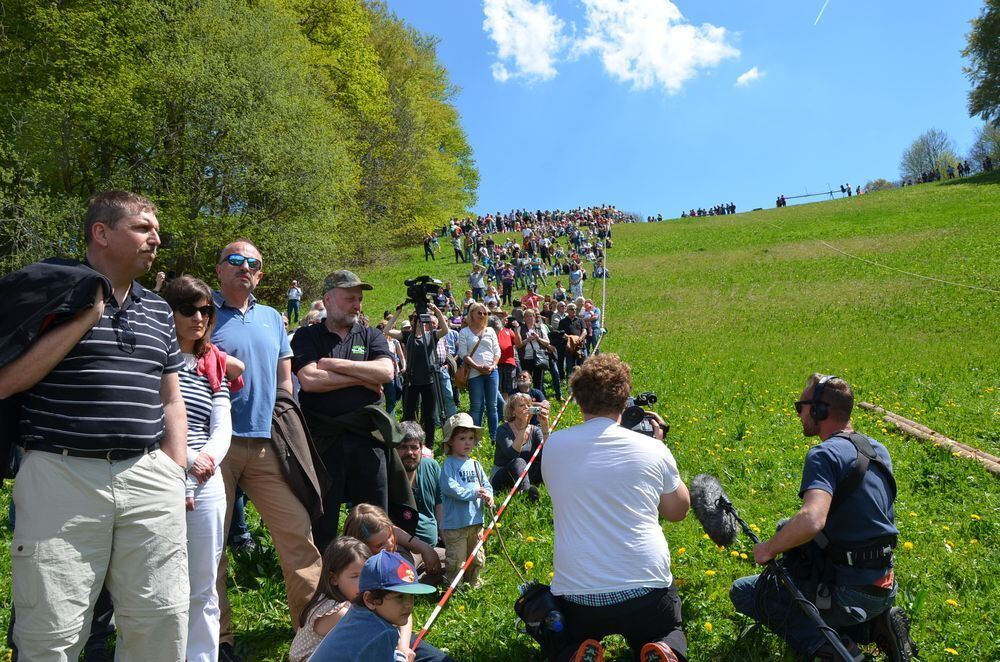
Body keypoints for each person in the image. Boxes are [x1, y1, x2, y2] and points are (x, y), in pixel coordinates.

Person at [1, 190, 190, 660]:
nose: (156, 239)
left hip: (148, 477)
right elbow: (7, 382)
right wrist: (85, 314)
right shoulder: (54, 293)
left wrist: (174, 470)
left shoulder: (159, 311)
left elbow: (171, 397)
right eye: (143, 228)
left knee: (162, 620)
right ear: (101, 233)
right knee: (51, 632)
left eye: (157, 230)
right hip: (61, 477)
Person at [729, 374, 917, 660]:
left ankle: (838, 649)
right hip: (884, 582)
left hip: (850, 591)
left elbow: (812, 520)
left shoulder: (824, 454)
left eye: (800, 406)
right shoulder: (878, 449)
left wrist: (767, 549)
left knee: (744, 591)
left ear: (819, 410)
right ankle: (875, 625)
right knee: (785, 531)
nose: (799, 414)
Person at [211, 239, 322, 660]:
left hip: (265, 444)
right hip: (213, 446)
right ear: (219, 269)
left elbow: (284, 383)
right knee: (210, 546)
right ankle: (218, 639)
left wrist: (282, 424)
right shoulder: (203, 312)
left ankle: (312, 630)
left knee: (297, 534)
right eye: (235, 260)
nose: (245, 267)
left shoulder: (273, 317)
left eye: (253, 263)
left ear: (260, 273)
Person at [541, 354, 689, 662]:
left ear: (578, 400)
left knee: (552, 621)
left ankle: (575, 651)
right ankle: (664, 646)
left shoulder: (553, 445)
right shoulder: (652, 448)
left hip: (578, 598)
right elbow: (678, 511)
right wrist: (661, 447)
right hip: (646, 594)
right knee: (669, 628)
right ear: (625, 401)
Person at [291, 270, 396, 550]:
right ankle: (328, 576)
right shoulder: (306, 336)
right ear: (328, 299)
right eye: (350, 298)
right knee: (324, 514)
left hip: (367, 437)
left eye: (359, 299)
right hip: (324, 438)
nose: (357, 304)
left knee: (374, 512)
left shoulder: (371, 335)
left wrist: (333, 365)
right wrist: (364, 377)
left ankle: (375, 570)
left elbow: (386, 371)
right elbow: (310, 380)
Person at [164, 276, 239, 662]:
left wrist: (202, 462)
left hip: (206, 478)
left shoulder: (212, 362)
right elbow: (151, 416)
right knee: (157, 580)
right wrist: (188, 459)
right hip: (161, 473)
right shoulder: (156, 357)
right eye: (188, 309)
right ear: (169, 311)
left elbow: (222, 423)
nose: (199, 317)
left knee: (204, 583)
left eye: (206, 310)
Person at [309, 551, 439, 662]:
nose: (408, 604)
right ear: (370, 599)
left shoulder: (356, 612)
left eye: (411, 596)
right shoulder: (383, 632)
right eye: (399, 597)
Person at [289, 536, 372, 662]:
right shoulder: (340, 613)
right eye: (355, 576)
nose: (363, 582)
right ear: (334, 579)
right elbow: (369, 640)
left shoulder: (330, 598)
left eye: (367, 574)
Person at [439, 413, 493, 587]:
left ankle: (474, 583)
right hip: (456, 524)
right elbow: (449, 487)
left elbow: (486, 484)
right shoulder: (449, 464)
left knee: (476, 555)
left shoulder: (475, 464)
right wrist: (472, 494)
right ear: (451, 442)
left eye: (471, 438)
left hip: (475, 521)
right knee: (456, 558)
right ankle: (454, 587)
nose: (468, 442)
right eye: (462, 438)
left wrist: (489, 496)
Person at [491, 393, 549, 500]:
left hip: (525, 473)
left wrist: (545, 427)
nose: (526, 408)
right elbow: (512, 454)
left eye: (528, 405)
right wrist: (523, 426)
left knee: (546, 461)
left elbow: (548, 451)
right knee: (519, 461)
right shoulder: (503, 429)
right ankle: (526, 494)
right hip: (504, 474)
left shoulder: (534, 429)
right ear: (513, 411)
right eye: (522, 405)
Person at [457, 303, 501, 441]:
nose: (483, 315)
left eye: (485, 313)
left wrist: (493, 365)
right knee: (476, 406)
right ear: (471, 314)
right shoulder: (464, 332)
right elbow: (463, 353)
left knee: (492, 405)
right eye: (479, 313)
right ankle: (476, 439)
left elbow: (497, 351)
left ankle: (494, 437)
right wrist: (477, 367)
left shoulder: (490, 331)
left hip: (491, 372)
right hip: (475, 373)